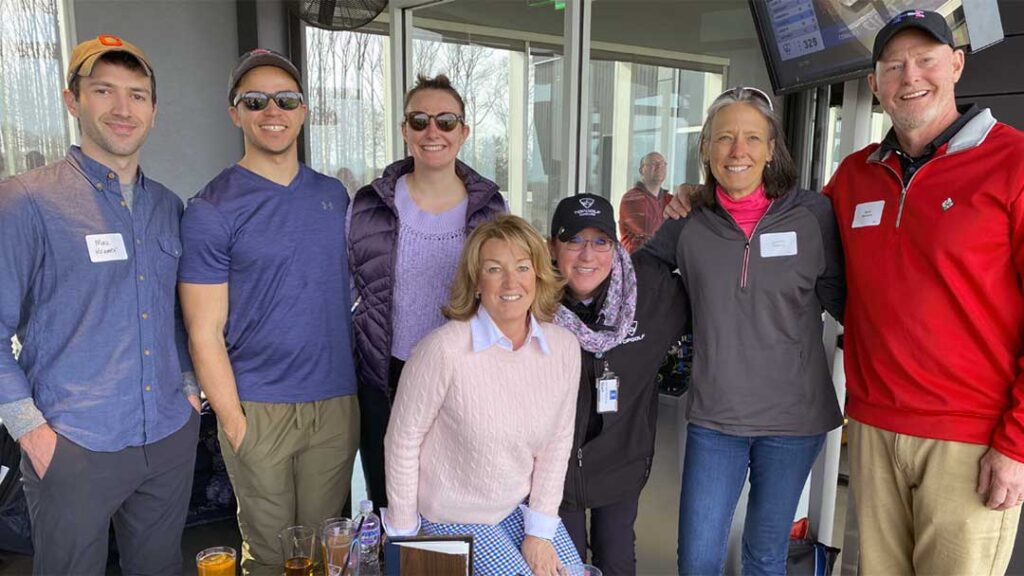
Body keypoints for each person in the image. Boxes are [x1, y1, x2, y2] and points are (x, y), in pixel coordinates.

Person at [823, 10, 1024, 574]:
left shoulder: (1014, 162)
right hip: (872, 430)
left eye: (926, 60)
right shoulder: (855, 175)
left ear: (956, 65)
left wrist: (1016, 445)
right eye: (893, 66)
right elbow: (785, 227)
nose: (910, 76)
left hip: (972, 440)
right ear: (875, 84)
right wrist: (708, 197)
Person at [0, 35, 200, 574]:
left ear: (153, 111)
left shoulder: (168, 207)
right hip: (74, 445)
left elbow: (177, 315)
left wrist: (187, 390)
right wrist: (34, 436)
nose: (122, 108)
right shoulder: (26, 200)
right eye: (103, 90)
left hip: (166, 438)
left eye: (137, 95)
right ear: (73, 100)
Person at [643, 86, 845, 575]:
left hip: (794, 422)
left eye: (752, 138)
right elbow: (635, 281)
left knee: (765, 555)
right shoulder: (688, 222)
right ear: (706, 150)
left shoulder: (813, 215)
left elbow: (851, 301)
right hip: (717, 420)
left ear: (772, 149)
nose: (738, 151)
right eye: (724, 138)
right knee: (697, 560)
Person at [178, 49, 359, 575]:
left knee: (329, 553)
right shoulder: (211, 208)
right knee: (272, 555)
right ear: (235, 113)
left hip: (334, 403)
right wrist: (234, 422)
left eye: (286, 99)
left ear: (303, 110)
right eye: (254, 101)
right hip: (258, 407)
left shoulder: (333, 197)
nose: (271, 111)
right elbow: (203, 331)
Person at [383, 214, 582, 576]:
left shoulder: (564, 348)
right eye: (494, 269)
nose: (511, 282)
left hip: (514, 508)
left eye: (523, 267)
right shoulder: (443, 350)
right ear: (476, 282)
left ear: (538, 276)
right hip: (450, 516)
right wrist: (406, 540)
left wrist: (539, 533)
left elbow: (557, 442)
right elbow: (401, 442)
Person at [348, 73, 506, 513]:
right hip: (385, 375)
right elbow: (349, 288)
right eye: (419, 120)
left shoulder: (491, 207)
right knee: (390, 501)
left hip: (464, 376)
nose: (432, 131)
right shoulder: (367, 204)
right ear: (404, 131)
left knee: (453, 500)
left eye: (446, 121)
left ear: (463, 132)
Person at [550, 193, 689, 575]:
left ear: (614, 246)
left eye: (600, 241)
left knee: (617, 563)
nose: (587, 255)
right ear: (552, 247)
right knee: (565, 567)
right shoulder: (532, 305)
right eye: (573, 240)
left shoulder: (651, 293)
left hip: (622, 463)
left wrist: (697, 195)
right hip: (554, 476)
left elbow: (719, 288)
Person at [618, 151, 672, 253]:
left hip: (661, 263)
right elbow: (650, 229)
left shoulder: (670, 199)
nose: (659, 167)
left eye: (663, 164)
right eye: (653, 164)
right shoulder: (631, 198)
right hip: (636, 262)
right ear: (642, 170)